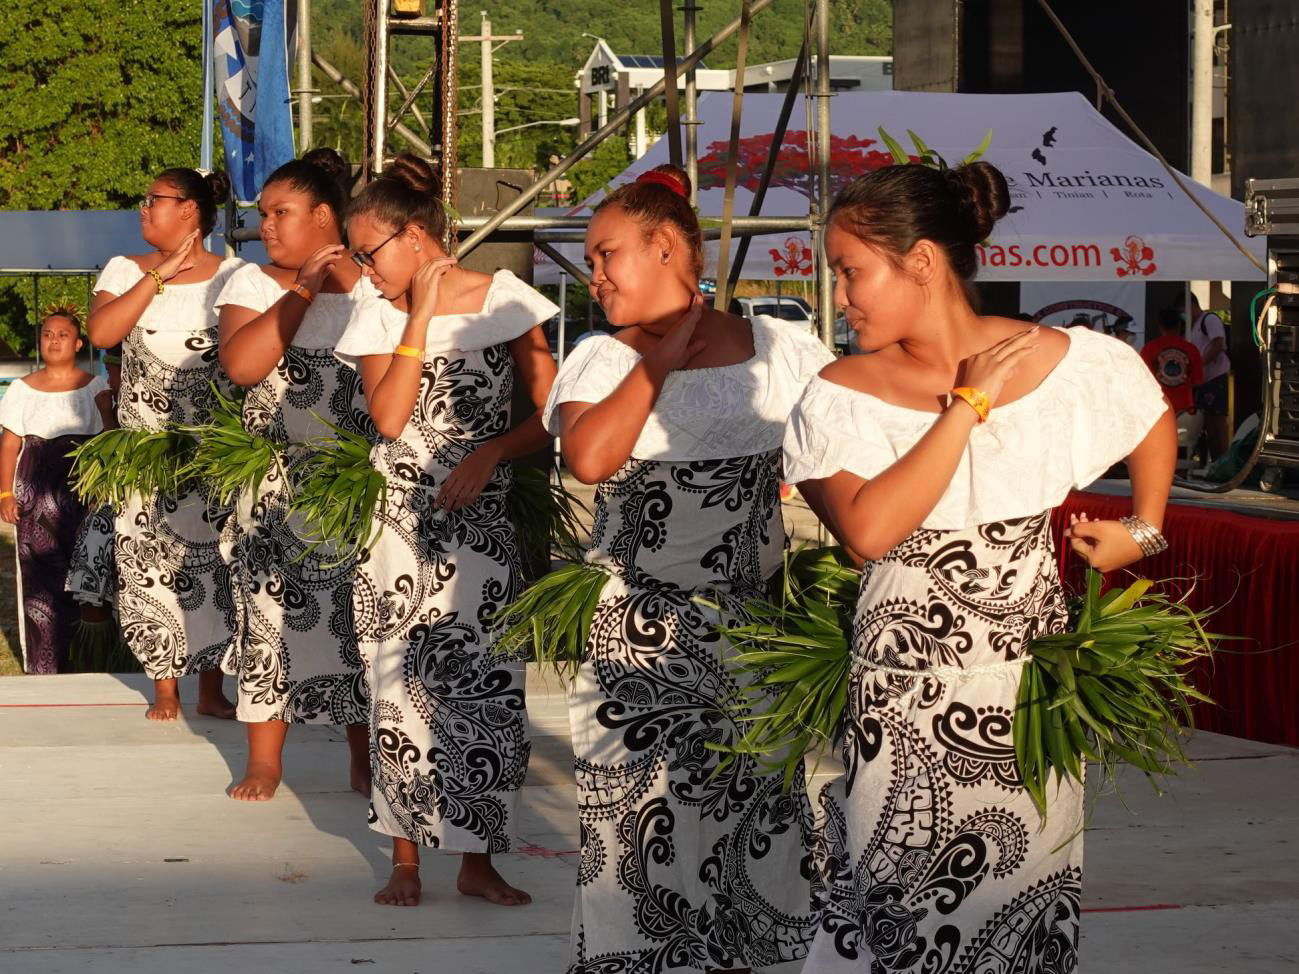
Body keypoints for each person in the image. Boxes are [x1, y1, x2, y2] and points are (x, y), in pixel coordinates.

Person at [782, 161, 1175, 973]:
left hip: (1026, 694)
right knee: (896, 914)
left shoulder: (1064, 359)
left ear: (921, 262)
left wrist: (1144, 530)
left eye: (852, 272)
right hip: (901, 700)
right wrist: (966, 407)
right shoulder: (838, 393)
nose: (841, 297)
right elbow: (868, 531)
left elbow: (1146, 414)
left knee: (1022, 912)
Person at [543, 165, 828, 973]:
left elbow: (827, 471)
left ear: (665, 247)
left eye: (606, 255)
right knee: (638, 828)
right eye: (590, 261)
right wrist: (658, 363)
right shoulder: (602, 360)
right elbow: (589, 458)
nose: (594, 276)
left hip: (756, 626)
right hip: (635, 631)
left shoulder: (782, 350)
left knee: (756, 817)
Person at [336, 153, 559, 908]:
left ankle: (478, 859)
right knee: (398, 687)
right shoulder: (377, 310)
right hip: (398, 525)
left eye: (369, 252)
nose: (363, 269)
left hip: (482, 524)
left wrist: (494, 450)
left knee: (486, 689)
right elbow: (390, 417)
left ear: (413, 235)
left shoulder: (506, 300)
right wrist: (419, 315)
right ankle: (405, 859)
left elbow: (554, 412)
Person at [214, 149, 373, 801]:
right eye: (264, 214)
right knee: (266, 611)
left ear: (324, 215)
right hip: (275, 479)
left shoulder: (373, 286)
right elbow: (243, 367)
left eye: (282, 213)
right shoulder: (251, 283)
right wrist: (302, 288)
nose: (267, 225)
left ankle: (365, 758)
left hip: (357, 481)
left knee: (358, 617)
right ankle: (264, 762)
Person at [86, 166, 244, 720]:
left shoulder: (235, 275)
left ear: (189, 210)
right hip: (144, 451)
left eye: (153, 199)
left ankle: (211, 688)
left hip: (213, 450)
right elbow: (102, 334)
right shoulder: (125, 269)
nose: (143, 208)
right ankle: (165, 687)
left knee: (214, 564)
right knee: (148, 564)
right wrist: (158, 277)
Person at [0, 307, 113, 673]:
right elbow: (9, 444)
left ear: (78, 343)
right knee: (41, 582)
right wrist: (5, 494)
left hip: (86, 495)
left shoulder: (97, 387)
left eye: (63, 335)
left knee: (89, 582)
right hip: (34, 498)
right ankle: (45, 667)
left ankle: (94, 665)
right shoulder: (21, 389)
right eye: (47, 334)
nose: (54, 340)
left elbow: (111, 439)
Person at [1177, 291, 1231, 460]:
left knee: (1217, 423)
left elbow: (1218, 344)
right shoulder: (1193, 326)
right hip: (1203, 380)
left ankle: (1222, 462)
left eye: (1183, 310)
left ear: (1191, 305)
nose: (1183, 315)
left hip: (1216, 377)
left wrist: (1199, 364)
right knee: (1208, 424)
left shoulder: (1210, 319)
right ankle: (1214, 461)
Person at [1141, 307, 1203, 416]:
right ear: (1179, 325)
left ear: (1160, 326)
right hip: (1185, 409)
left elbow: (1142, 381)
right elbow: (1197, 381)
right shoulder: (1192, 349)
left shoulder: (1148, 349)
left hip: (1158, 409)